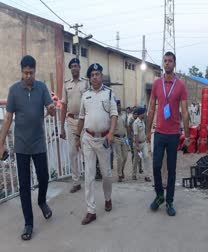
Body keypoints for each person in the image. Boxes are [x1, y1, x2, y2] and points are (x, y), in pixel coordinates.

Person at [0, 55, 55, 240]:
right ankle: (28, 224)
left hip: (38, 143)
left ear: (35, 71)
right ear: (21, 72)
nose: (28, 76)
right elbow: (7, 118)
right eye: (25, 73)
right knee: (24, 186)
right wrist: (1, 144)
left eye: (31, 72)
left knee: (44, 178)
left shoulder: (42, 87)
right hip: (21, 145)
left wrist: (52, 109)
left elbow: (50, 106)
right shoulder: (14, 90)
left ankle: (41, 201)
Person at [146, 51, 189, 217]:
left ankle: (169, 201)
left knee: (171, 169)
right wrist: (148, 131)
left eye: (170, 61)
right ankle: (159, 196)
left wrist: (188, 135)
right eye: (165, 61)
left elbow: (184, 111)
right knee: (156, 166)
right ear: (163, 64)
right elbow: (151, 108)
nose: (167, 63)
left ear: (174, 64)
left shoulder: (181, 86)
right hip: (159, 132)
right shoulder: (157, 84)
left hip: (173, 134)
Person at [75, 63, 118, 225]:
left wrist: (112, 133)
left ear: (101, 76)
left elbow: (114, 115)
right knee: (89, 175)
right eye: (92, 74)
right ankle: (91, 210)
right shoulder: (85, 96)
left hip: (104, 139)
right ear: (90, 77)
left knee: (106, 174)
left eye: (97, 74)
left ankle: (107, 198)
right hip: (87, 138)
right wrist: (77, 136)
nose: (95, 77)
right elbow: (80, 117)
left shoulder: (109, 94)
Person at [60, 58, 89, 193]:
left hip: (84, 121)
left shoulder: (86, 83)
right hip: (71, 121)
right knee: (72, 153)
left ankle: (89, 179)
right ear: (70, 69)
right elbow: (64, 105)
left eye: (76, 66)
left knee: (86, 152)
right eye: (72, 66)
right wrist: (61, 127)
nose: (74, 68)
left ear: (80, 68)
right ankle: (76, 182)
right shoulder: (66, 84)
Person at [133, 107, 152, 182]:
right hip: (138, 144)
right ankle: (134, 174)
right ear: (141, 114)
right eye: (144, 112)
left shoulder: (143, 121)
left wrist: (147, 138)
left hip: (144, 143)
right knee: (136, 159)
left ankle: (147, 176)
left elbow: (144, 131)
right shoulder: (135, 123)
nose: (145, 114)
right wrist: (137, 146)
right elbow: (136, 135)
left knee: (146, 157)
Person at [113, 99, 128, 182]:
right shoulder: (113, 115)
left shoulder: (123, 115)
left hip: (124, 137)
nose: (119, 107)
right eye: (117, 105)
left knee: (125, 157)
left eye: (119, 105)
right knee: (119, 158)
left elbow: (125, 126)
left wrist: (127, 139)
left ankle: (121, 170)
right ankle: (119, 175)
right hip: (116, 138)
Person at [128, 108, 142, 173]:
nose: (136, 115)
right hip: (132, 139)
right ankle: (134, 167)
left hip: (139, 139)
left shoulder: (140, 120)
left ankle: (140, 168)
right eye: (135, 114)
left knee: (140, 154)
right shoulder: (131, 121)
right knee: (134, 154)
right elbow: (129, 131)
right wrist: (129, 140)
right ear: (133, 114)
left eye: (137, 114)